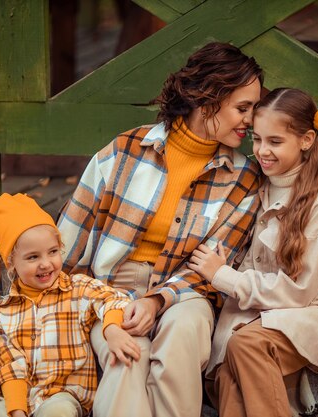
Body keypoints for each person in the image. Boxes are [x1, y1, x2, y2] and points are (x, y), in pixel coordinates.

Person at [57, 42, 263, 417]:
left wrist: (157, 300)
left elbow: (211, 266)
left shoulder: (244, 179)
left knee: (183, 333)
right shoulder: (124, 151)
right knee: (129, 355)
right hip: (109, 289)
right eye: (243, 108)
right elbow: (70, 243)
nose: (251, 121)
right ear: (208, 98)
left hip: (187, 291)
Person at [188, 87, 318, 417]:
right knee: (227, 372)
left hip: (314, 310)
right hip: (268, 307)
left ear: (307, 140)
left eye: (275, 142)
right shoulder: (262, 183)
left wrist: (225, 277)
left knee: (246, 346)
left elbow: (297, 291)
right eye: (257, 139)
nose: (262, 151)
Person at [0, 193, 138, 417]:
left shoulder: (77, 289)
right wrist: (17, 411)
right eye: (33, 257)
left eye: (53, 252)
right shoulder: (2, 314)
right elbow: (10, 365)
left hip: (63, 393)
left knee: (58, 413)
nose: (46, 263)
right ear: (11, 263)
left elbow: (112, 298)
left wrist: (112, 329)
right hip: (19, 394)